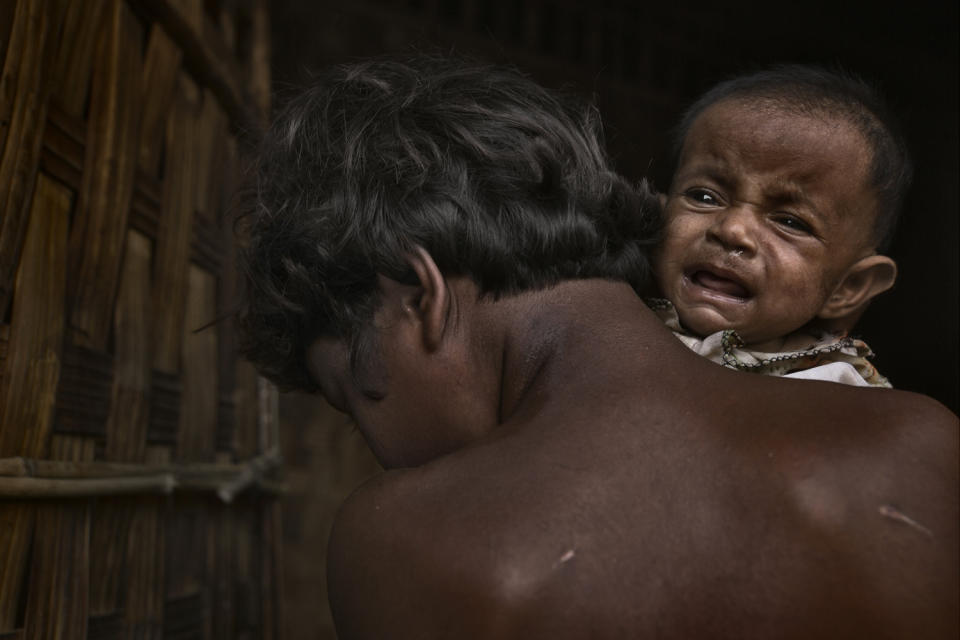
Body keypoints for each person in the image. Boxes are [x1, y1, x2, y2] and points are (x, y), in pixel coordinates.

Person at [237, 56, 958, 639]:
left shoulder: (399, 540)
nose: (375, 444)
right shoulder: (926, 443)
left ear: (421, 296)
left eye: (352, 401)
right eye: (706, 197)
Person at [651, 65, 910, 387]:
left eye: (790, 222)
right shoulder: (604, 318)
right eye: (704, 196)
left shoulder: (839, 393)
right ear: (654, 216)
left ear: (848, 285)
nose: (733, 230)